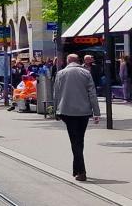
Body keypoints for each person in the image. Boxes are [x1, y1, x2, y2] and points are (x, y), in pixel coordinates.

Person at [54, 53, 101, 182]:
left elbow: (56, 94)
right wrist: (96, 112)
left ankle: (81, 171)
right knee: (79, 140)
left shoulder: (61, 73)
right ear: (78, 60)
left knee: (75, 141)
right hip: (84, 112)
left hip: (67, 111)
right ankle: (78, 170)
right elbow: (92, 93)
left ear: (68, 61)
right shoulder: (86, 73)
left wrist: (55, 111)